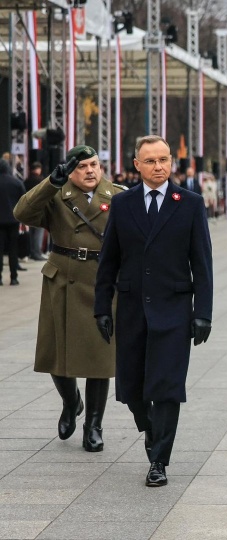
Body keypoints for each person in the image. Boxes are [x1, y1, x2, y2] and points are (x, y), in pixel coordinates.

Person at [94, 135, 213, 487]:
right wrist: (102, 307)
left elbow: (202, 263)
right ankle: (150, 429)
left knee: (166, 387)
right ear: (137, 165)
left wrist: (202, 312)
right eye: (151, 161)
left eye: (164, 160)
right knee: (132, 389)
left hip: (174, 309)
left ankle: (159, 460)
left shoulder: (189, 203)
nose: (159, 166)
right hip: (131, 308)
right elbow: (109, 260)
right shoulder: (123, 203)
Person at [13, 146, 119, 451]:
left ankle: (93, 425)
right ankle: (71, 402)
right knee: (55, 354)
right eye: (83, 166)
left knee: (99, 358)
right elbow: (22, 212)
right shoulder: (57, 195)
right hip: (62, 280)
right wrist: (50, 183)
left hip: (102, 281)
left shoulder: (119, 196)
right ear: (70, 170)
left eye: (95, 165)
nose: (90, 171)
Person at [0, 159, 25, 285]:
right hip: (13, 220)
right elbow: (24, 201)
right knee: (13, 249)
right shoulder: (16, 182)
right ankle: (13, 277)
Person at [24, 162, 46, 261]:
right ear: (38, 169)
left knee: (31, 233)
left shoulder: (26, 181)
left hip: (28, 210)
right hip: (39, 210)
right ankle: (37, 252)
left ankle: (31, 251)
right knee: (38, 232)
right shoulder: (40, 180)